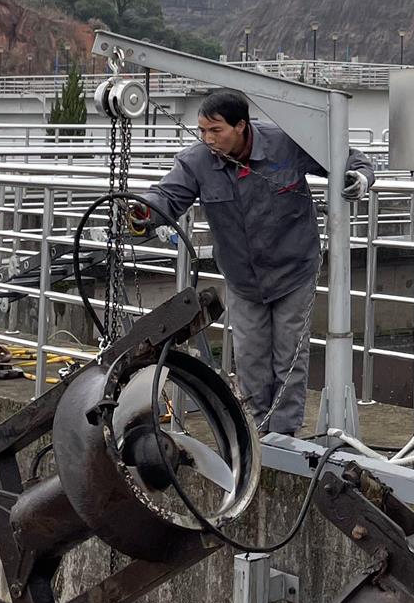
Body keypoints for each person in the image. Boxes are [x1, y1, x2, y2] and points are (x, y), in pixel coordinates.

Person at [129, 88, 372, 437]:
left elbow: (347, 158)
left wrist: (359, 179)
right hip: (243, 279)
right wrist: (143, 211)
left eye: (216, 131)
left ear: (241, 125)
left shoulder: (285, 144)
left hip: (293, 271)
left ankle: (285, 436)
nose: (208, 139)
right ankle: (258, 435)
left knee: (289, 359)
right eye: (202, 131)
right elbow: (169, 195)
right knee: (251, 360)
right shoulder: (197, 161)